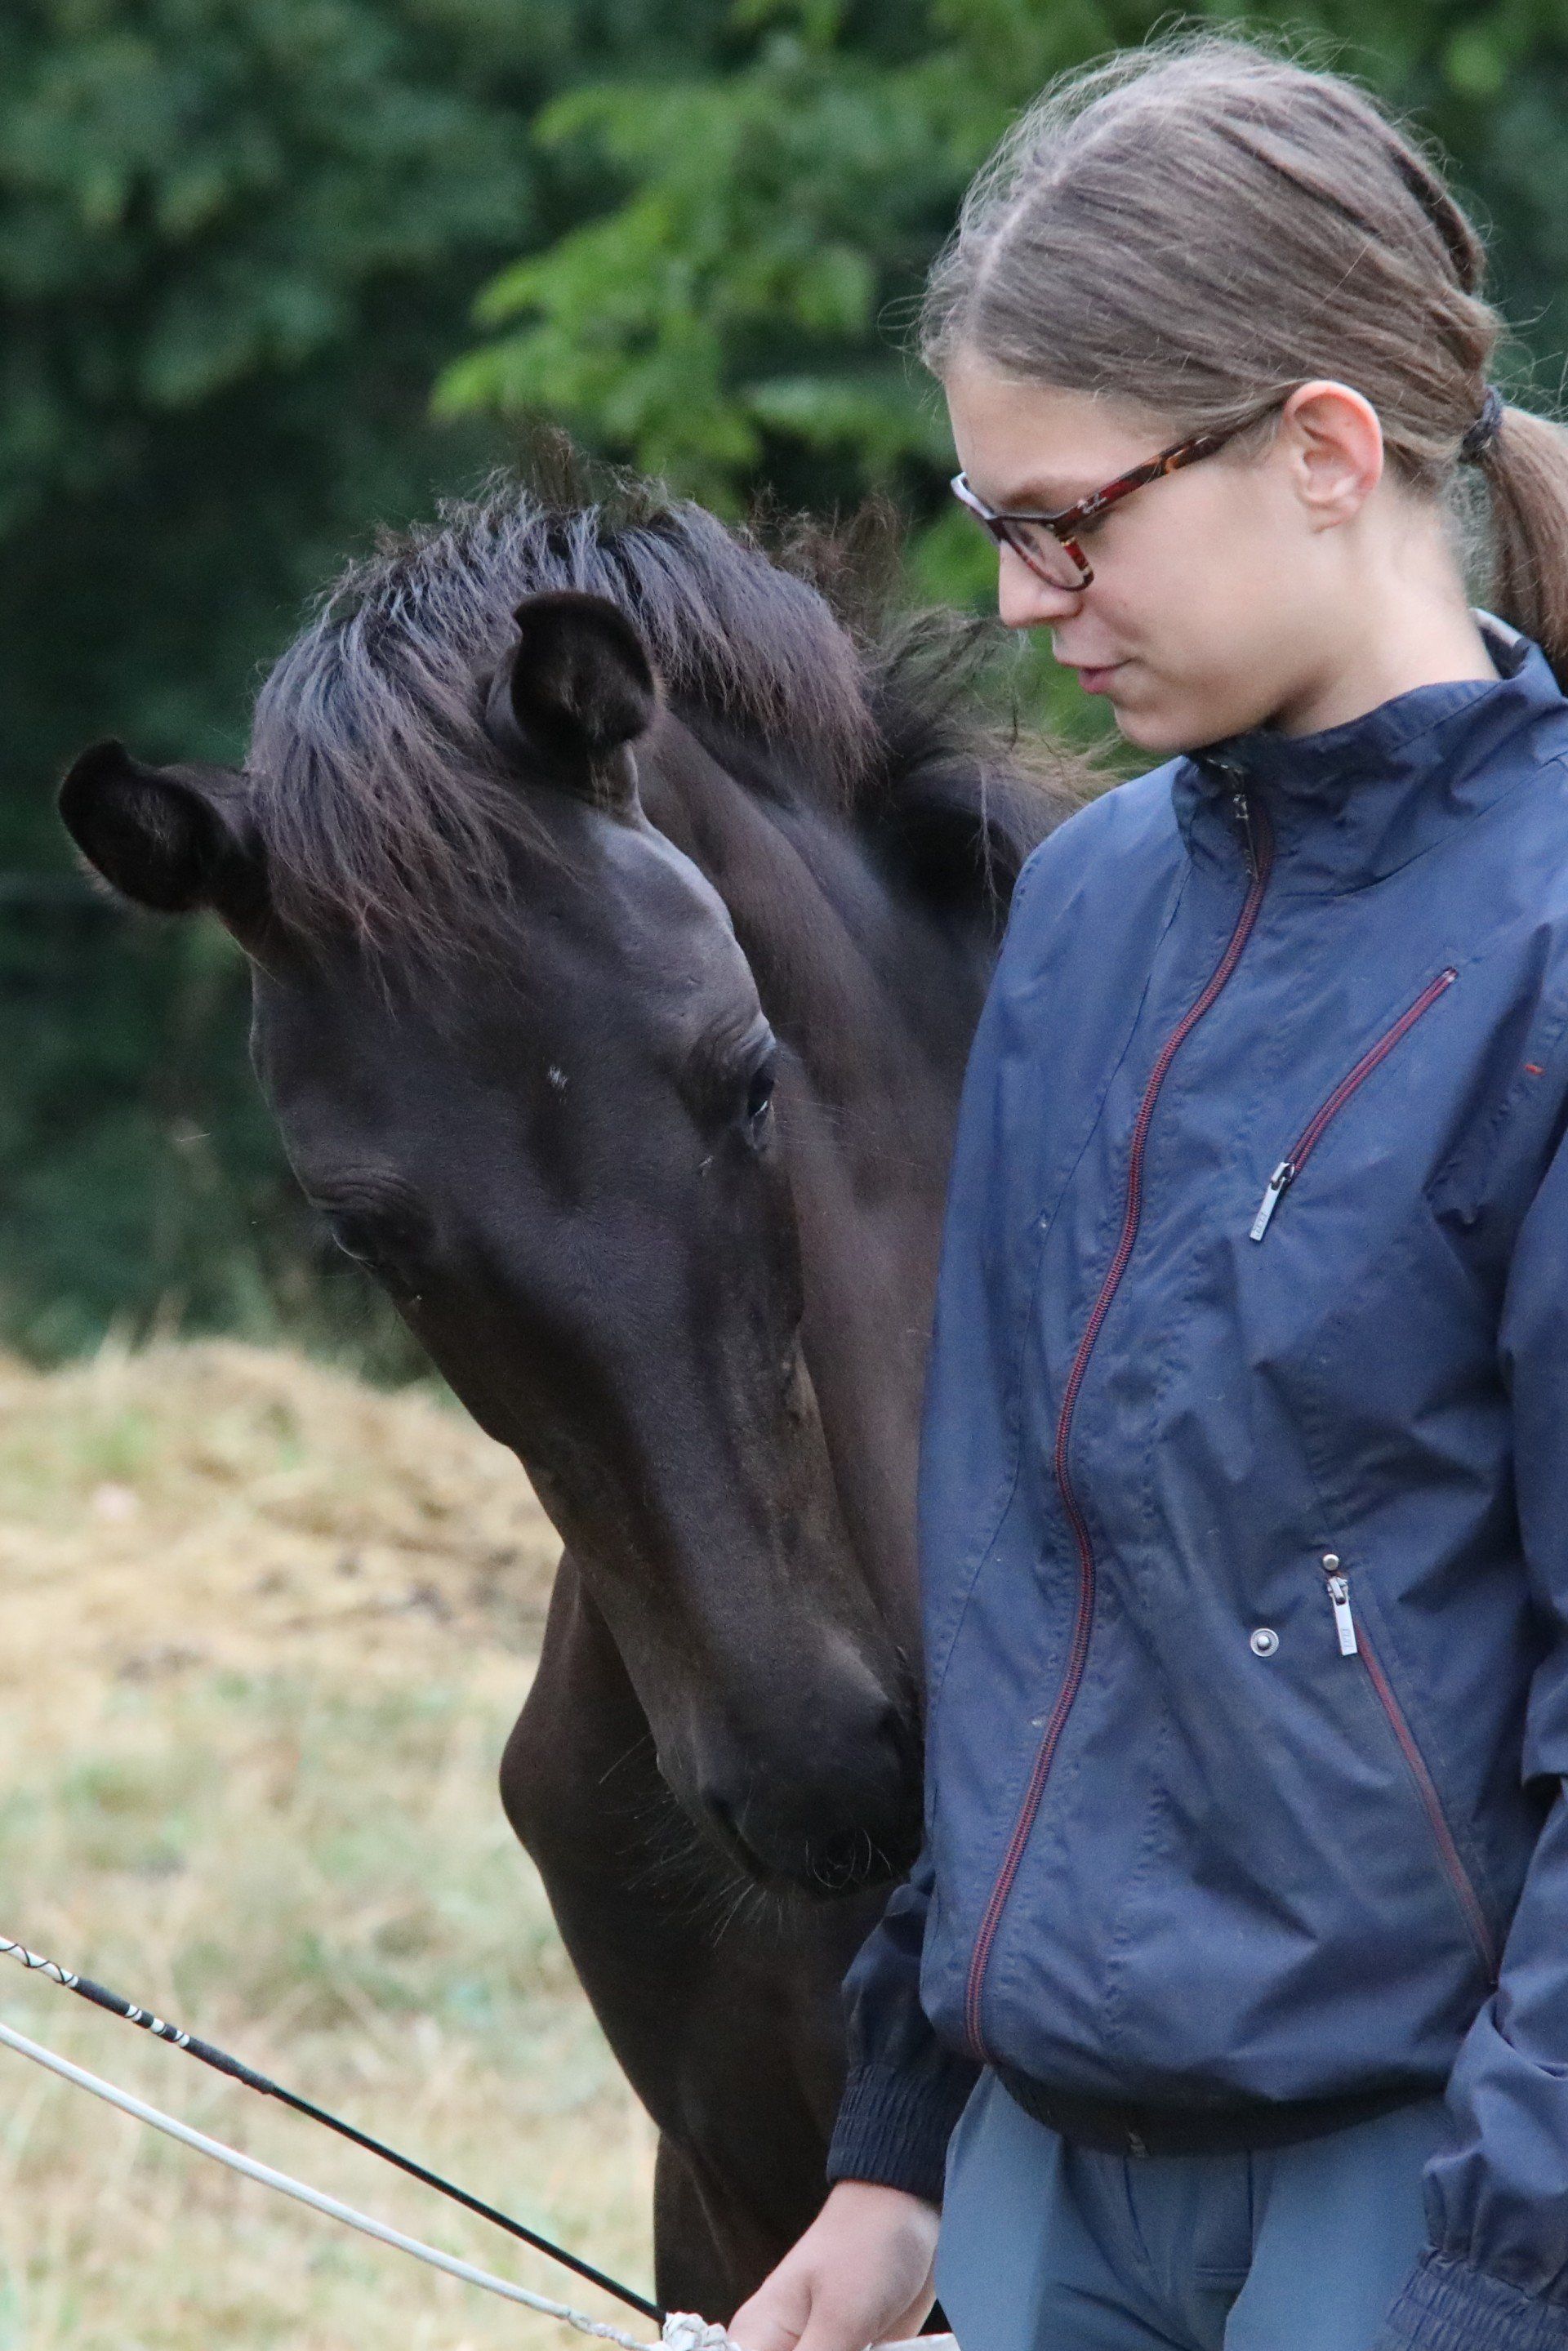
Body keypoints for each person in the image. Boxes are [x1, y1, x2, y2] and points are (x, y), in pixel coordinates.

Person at [727, 29, 1568, 2351]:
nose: (1022, 604)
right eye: (995, 521)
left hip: (1431, 2194)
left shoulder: (1548, 951)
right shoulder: (1087, 908)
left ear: (1324, 451)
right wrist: (903, 2149)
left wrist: (1498, 2278)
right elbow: (1016, 1574)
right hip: (1043, 2181)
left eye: (1065, 519)